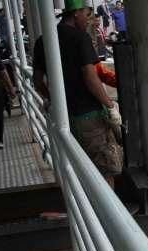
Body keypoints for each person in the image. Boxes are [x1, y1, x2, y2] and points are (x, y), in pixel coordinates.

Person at [33, 0, 122, 187]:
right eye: (86, 14)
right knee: (103, 168)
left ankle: (85, 211)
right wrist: (109, 104)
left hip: (64, 116)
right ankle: (105, 214)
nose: (88, 20)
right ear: (75, 13)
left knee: (78, 167)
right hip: (89, 115)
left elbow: (37, 81)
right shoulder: (80, 38)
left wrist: (52, 99)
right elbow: (90, 77)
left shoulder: (43, 40)